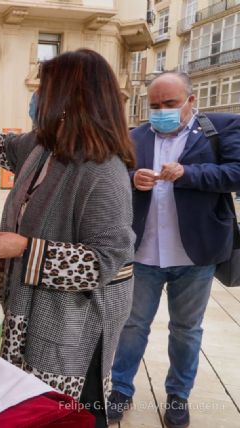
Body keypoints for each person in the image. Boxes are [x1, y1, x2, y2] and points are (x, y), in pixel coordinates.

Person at [0, 49, 136, 427]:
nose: (37, 97)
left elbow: (106, 260)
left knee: (72, 411)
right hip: (30, 305)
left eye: (44, 88)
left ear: (72, 98)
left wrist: (25, 248)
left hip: (70, 321)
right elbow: (4, 147)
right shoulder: (46, 145)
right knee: (31, 400)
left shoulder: (103, 171)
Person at [107, 72, 240, 428]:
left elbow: (236, 173)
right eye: (154, 105)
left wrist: (189, 173)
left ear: (191, 101)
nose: (161, 111)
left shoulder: (220, 129)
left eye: (170, 104)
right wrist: (132, 179)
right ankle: (120, 389)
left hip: (195, 254)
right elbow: (115, 176)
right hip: (144, 253)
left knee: (186, 329)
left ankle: (178, 395)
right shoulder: (134, 137)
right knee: (133, 325)